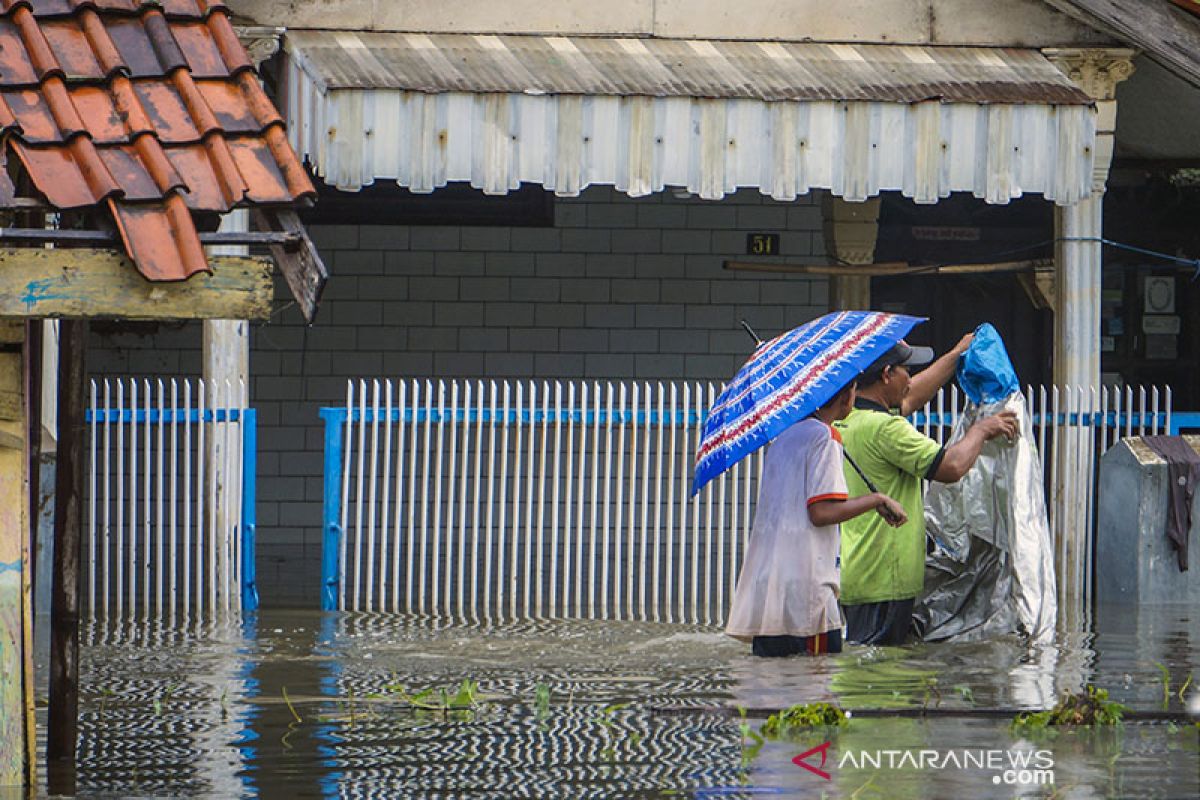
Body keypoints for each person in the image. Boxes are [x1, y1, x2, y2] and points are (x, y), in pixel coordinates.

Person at [834, 335, 1019, 646]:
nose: (910, 379)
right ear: (886, 374)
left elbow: (910, 397)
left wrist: (955, 354)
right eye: (906, 370)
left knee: (862, 669)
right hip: (885, 581)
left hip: (857, 574)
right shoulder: (886, 429)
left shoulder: (848, 419)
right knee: (881, 677)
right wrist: (982, 429)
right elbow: (952, 467)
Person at [725, 382, 907, 657]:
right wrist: (877, 500)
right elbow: (821, 513)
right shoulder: (825, 437)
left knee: (773, 687)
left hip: (771, 589)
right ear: (845, 395)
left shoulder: (785, 437)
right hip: (807, 590)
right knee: (816, 688)